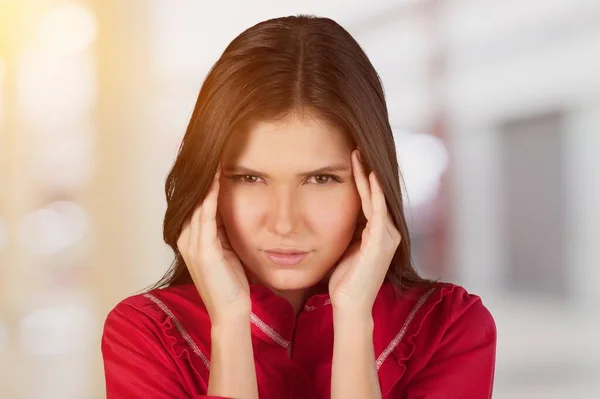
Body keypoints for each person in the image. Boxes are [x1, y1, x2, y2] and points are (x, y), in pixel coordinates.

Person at [101, 14, 496, 399]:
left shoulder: (449, 327)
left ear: (371, 185)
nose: (285, 223)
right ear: (208, 186)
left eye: (321, 179)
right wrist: (230, 325)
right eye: (249, 178)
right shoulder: (146, 332)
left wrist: (355, 318)